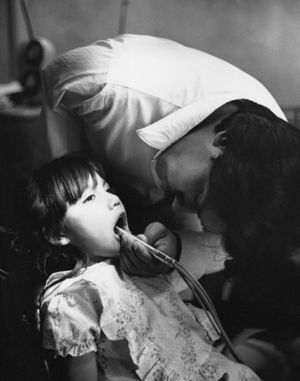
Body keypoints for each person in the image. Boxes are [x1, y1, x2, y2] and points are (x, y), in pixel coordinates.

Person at [40, 33, 288, 282]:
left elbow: (227, 238)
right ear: (222, 141)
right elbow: (57, 76)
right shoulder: (110, 82)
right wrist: (70, 180)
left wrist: (183, 248)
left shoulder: (280, 177)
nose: (176, 207)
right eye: (195, 195)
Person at [14, 154, 261, 381]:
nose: (112, 200)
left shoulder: (138, 268)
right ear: (58, 234)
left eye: (107, 190)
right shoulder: (74, 298)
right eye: (90, 198)